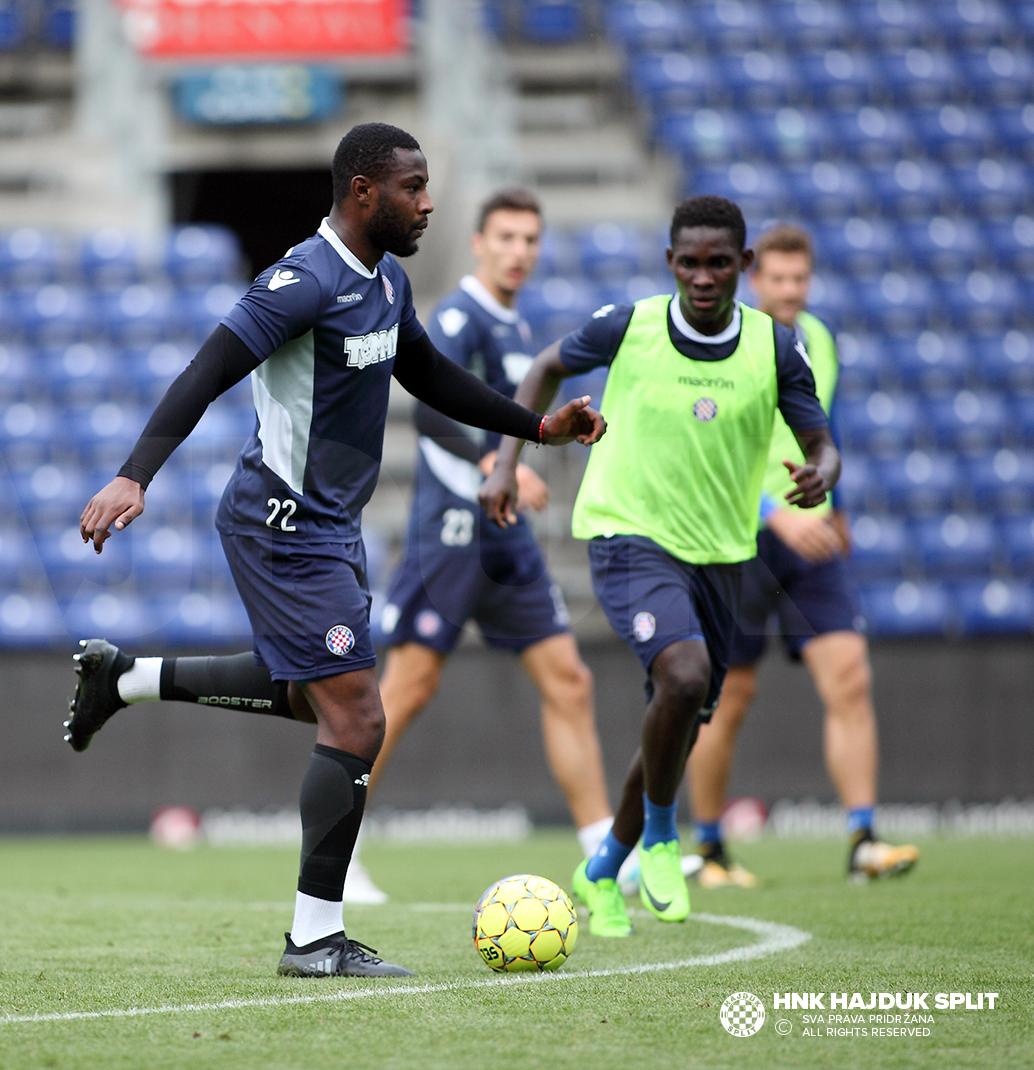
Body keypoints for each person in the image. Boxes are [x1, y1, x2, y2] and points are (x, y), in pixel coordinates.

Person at [65, 123, 605, 977]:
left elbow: (427, 374)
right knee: (359, 714)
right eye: (412, 187)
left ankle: (126, 679)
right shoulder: (300, 280)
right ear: (363, 193)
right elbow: (206, 369)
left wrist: (536, 428)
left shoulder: (386, 281)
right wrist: (135, 475)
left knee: (317, 700)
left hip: (331, 528)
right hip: (279, 524)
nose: (427, 203)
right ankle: (314, 938)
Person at [481, 195, 837, 937]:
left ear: (741, 266)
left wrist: (822, 472)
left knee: (678, 719)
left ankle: (605, 865)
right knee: (683, 677)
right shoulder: (631, 325)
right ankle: (665, 841)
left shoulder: (773, 348)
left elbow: (820, 438)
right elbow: (546, 366)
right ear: (669, 263)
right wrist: (513, 455)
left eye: (717, 263)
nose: (702, 277)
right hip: (629, 535)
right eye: (688, 262)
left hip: (721, 552)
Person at [347, 186, 614, 905]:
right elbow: (430, 417)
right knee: (403, 693)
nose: (519, 251)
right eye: (507, 238)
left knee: (569, 681)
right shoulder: (460, 316)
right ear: (479, 243)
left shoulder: (518, 330)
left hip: (504, 536)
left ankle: (602, 857)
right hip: (452, 534)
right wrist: (501, 468)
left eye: (530, 239)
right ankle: (337, 851)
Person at [684, 224, 919, 887]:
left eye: (800, 280)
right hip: (739, 540)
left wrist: (836, 510)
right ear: (755, 279)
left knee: (850, 677)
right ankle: (709, 848)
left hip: (812, 539)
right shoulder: (727, 344)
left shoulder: (817, 339)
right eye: (778, 279)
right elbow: (707, 451)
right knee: (728, 699)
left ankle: (862, 839)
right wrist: (772, 517)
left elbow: (826, 421)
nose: (790, 291)